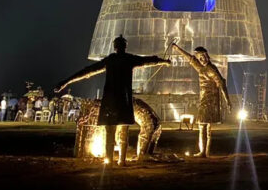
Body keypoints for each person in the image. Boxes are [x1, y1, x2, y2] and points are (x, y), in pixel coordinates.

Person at [54, 35, 170, 165]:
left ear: (114, 47)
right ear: (124, 46)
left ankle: (110, 160)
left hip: (111, 100)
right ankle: (121, 160)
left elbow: (87, 71)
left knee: (111, 132)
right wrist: (163, 61)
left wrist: (66, 81)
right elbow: (147, 60)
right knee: (122, 132)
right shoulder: (128, 59)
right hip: (122, 100)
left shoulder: (111, 60)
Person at [172, 43, 232, 157]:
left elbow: (222, 83)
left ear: (207, 56)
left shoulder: (210, 69)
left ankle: (203, 152)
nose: (202, 59)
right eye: (200, 57)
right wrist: (177, 48)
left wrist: (228, 100)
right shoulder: (201, 67)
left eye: (203, 56)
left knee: (202, 125)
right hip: (205, 99)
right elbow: (190, 58)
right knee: (206, 126)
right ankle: (204, 151)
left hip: (209, 101)